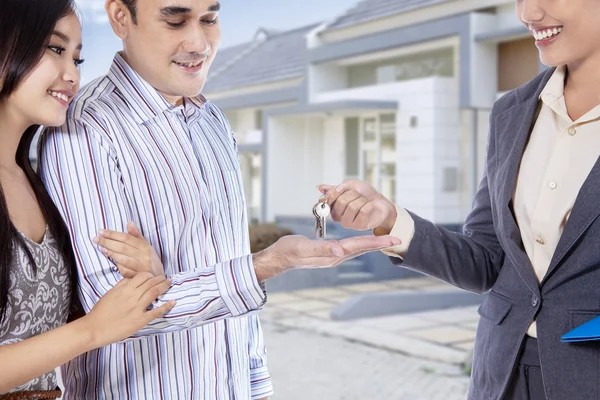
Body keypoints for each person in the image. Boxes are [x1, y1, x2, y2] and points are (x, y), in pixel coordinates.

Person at [37, 0, 401, 398]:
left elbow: (234, 302)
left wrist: (257, 387)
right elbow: (112, 308)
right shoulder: (84, 130)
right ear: (121, 18)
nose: (199, 42)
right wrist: (268, 263)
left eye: (209, 19)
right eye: (175, 21)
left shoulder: (212, 121)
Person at [319, 1, 600, 399]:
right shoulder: (512, 112)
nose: (528, 14)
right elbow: (486, 261)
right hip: (501, 373)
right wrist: (389, 217)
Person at [0, 1, 176, 398]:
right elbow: (93, 327)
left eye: (78, 59)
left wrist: (144, 274)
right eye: (56, 49)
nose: (72, 75)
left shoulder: (34, 183)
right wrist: (92, 329)